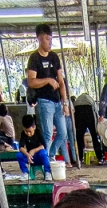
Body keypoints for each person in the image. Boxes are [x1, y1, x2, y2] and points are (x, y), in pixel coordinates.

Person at [26, 23, 73, 166]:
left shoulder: (54, 57)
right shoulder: (34, 58)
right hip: (44, 101)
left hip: (58, 101)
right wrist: (47, 80)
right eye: (47, 39)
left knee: (63, 133)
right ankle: (45, 163)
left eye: (51, 39)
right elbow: (31, 82)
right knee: (47, 134)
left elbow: (61, 81)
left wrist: (65, 103)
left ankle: (50, 155)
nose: (49, 42)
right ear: (39, 39)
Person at [72, 92, 102, 165]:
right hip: (89, 111)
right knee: (94, 136)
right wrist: (96, 126)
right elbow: (95, 112)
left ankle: (80, 158)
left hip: (78, 111)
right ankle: (100, 158)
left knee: (79, 137)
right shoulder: (90, 99)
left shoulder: (78, 100)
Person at [18, 114, 52, 178]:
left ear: (34, 127)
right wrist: (27, 154)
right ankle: (25, 173)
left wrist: (34, 150)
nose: (28, 133)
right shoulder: (23, 134)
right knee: (19, 155)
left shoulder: (38, 132)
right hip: (29, 158)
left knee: (44, 153)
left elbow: (44, 145)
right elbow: (21, 147)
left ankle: (47, 172)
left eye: (30, 131)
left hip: (38, 156)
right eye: (26, 131)